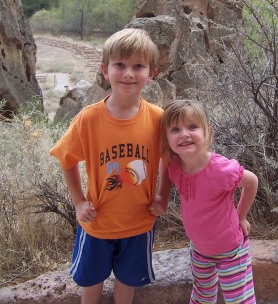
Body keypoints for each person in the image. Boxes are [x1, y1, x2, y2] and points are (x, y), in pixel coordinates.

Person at [50, 28, 170, 304]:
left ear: (151, 73)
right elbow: (67, 160)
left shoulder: (157, 118)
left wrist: (163, 195)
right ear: (105, 70)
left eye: (138, 66)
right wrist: (79, 202)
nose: (128, 73)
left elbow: (168, 160)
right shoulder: (88, 119)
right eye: (120, 65)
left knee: (127, 285)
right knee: (91, 284)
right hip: (97, 223)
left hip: (140, 224)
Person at [160, 99, 258, 304]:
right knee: (202, 297)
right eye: (175, 129)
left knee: (239, 300)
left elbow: (252, 182)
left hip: (231, 250)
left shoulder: (222, 169)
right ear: (166, 139)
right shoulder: (175, 167)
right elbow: (163, 162)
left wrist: (241, 217)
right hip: (199, 250)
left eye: (193, 127)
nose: (184, 134)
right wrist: (161, 197)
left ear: (207, 132)